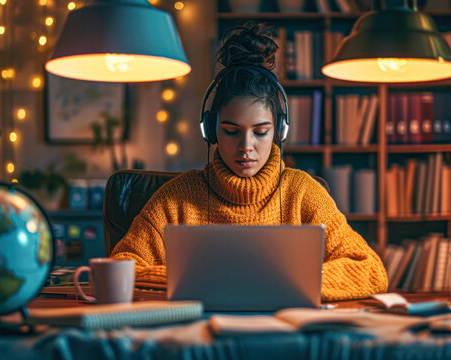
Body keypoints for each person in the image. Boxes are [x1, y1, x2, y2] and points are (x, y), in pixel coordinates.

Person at [111, 23, 387, 301]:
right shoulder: (176, 199)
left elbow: (369, 269)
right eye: (231, 131)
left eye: (260, 132)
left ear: (279, 132)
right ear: (211, 130)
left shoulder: (302, 193)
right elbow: (122, 265)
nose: (246, 147)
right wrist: (205, 281)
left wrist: (288, 283)